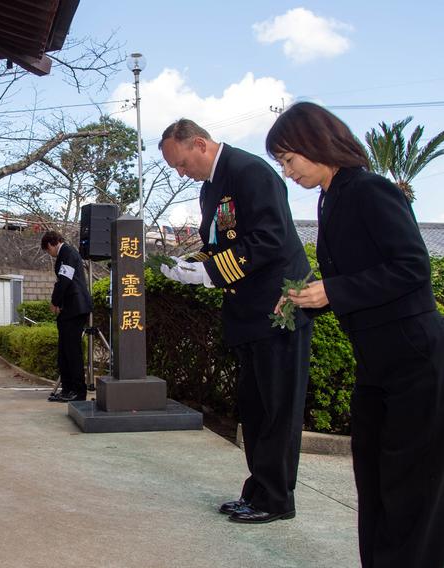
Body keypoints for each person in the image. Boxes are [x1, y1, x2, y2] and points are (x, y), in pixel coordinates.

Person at [266, 102, 444, 567]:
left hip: (415, 359)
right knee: (375, 479)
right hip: (377, 363)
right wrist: (307, 297)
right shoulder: (333, 198)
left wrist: (333, 291)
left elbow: (411, 268)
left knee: (411, 487)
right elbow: (357, 280)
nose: (287, 172)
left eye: (289, 159)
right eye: (281, 163)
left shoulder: (371, 190)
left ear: (315, 143)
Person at [158, 119, 313, 524]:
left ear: (199, 143)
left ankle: (277, 499)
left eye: (181, 163)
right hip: (248, 312)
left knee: (278, 407)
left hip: (279, 306)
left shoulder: (250, 172)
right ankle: (259, 490)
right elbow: (223, 245)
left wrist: (212, 272)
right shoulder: (211, 186)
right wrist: (192, 267)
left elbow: (268, 240)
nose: (181, 172)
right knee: (256, 407)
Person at [40, 230, 91, 402]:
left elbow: (65, 280)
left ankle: (77, 391)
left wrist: (54, 301)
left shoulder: (68, 253)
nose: (50, 254)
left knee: (72, 351)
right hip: (69, 309)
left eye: (48, 251)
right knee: (64, 352)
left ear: (50, 245)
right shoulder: (66, 254)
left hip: (75, 308)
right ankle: (68, 389)